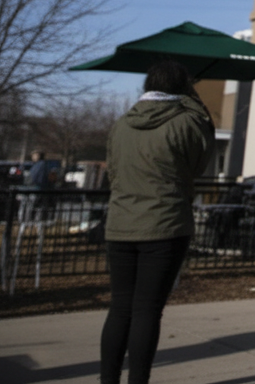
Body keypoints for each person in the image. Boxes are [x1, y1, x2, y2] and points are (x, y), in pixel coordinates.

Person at [100, 60, 214, 384]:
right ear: (183, 88)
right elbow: (199, 164)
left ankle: (107, 380)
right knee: (147, 310)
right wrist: (194, 102)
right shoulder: (188, 122)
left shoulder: (121, 124)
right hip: (165, 225)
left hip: (120, 224)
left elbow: (113, 173)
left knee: (120, 308)